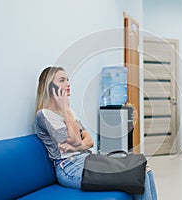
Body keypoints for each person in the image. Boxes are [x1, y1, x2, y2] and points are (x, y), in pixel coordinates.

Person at [34, 66, 157, 200]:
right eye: (62, 80)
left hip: (88, 159)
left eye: (67, 80)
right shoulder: (45, 115)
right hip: (70, 169)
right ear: (49, 86)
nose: (67, 84)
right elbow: (76, 139)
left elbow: (89, 141)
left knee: (145, 169)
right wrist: (65, 110)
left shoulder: (70, 113)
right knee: (139, 175)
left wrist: (77, 146)